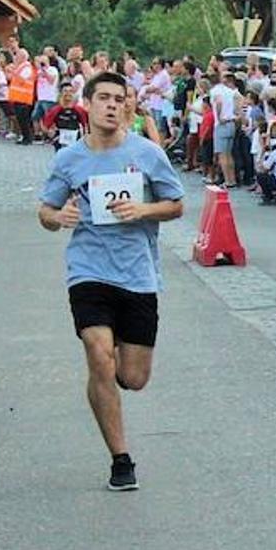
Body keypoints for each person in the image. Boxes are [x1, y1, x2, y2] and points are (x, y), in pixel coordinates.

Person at [37, 72, 186, 491]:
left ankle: (105, 377)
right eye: (103, 97)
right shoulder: (69, 159)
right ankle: (121, 459)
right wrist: (58, 218)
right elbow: (45, 212)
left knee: (133, 377)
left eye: (119, 99)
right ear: (87, 103)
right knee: (97, 349)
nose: (111, 105)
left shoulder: (148, 154)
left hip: (137, 273)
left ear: (127, 106)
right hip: (88, 269)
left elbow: (176, 205)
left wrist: (143, 211)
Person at [42, 84, 89, 151]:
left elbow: (86, 125)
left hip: (75, 140)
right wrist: (50, 133)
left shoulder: (79, 110)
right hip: (59, 141)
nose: (68, 93)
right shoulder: (55, 110)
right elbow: (45, 125)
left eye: (70, 91)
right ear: (61, 93)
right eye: (65, 91)